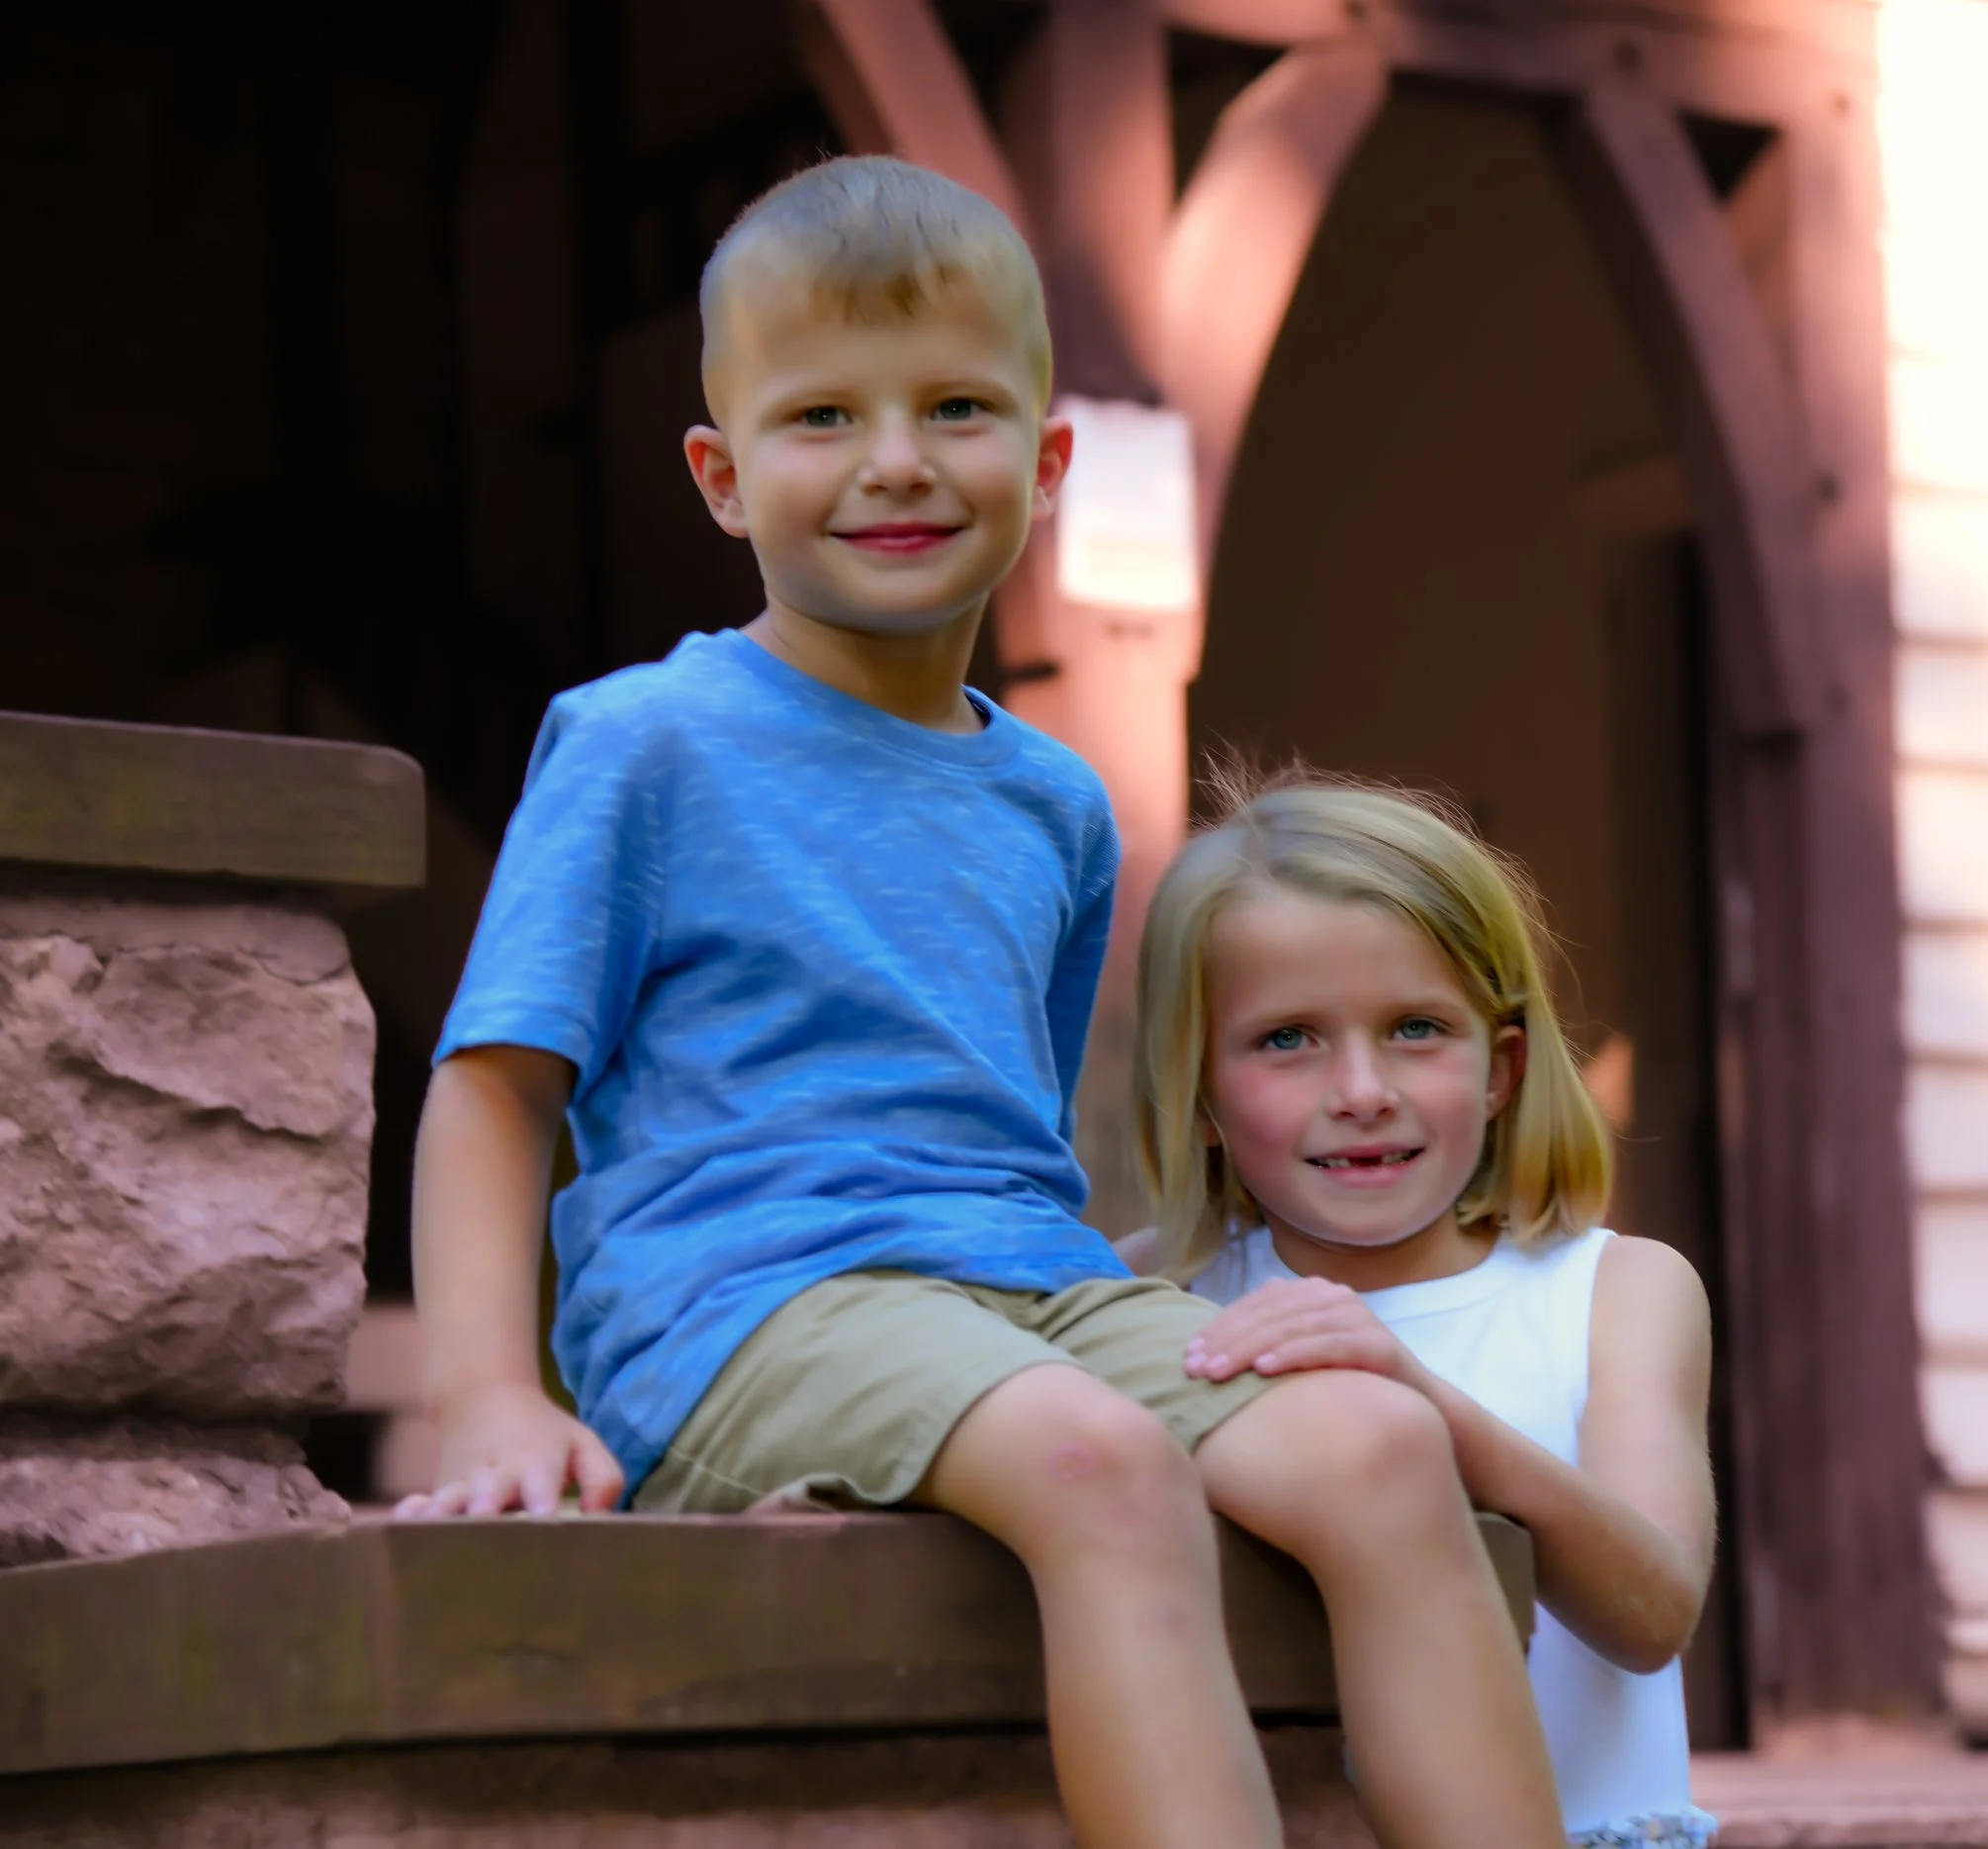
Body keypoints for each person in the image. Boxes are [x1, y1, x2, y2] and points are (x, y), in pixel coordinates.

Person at [392, 156, 1564, 1849]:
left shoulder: (1058, 803)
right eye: (821, 417)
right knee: (1099, 1466)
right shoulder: (645, 739)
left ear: (1046, 458)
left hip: (1030, 1285)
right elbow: (496, 1085)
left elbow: (1010, 1123)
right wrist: (488, 1388)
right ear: (722, 479)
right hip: (747, 1303)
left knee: (1381, 1448)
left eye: (956, 405)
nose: (894, 462)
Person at [1123, 776, 1721, 1848]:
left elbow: (1652, 1616)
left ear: (1501, 1071)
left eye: (1413, 1028)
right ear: (1199, 1095)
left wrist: (1426, 1407)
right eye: (1286, 1039)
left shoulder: (1613, 1291)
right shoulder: (1148, 1298)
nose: (1360, 1088)